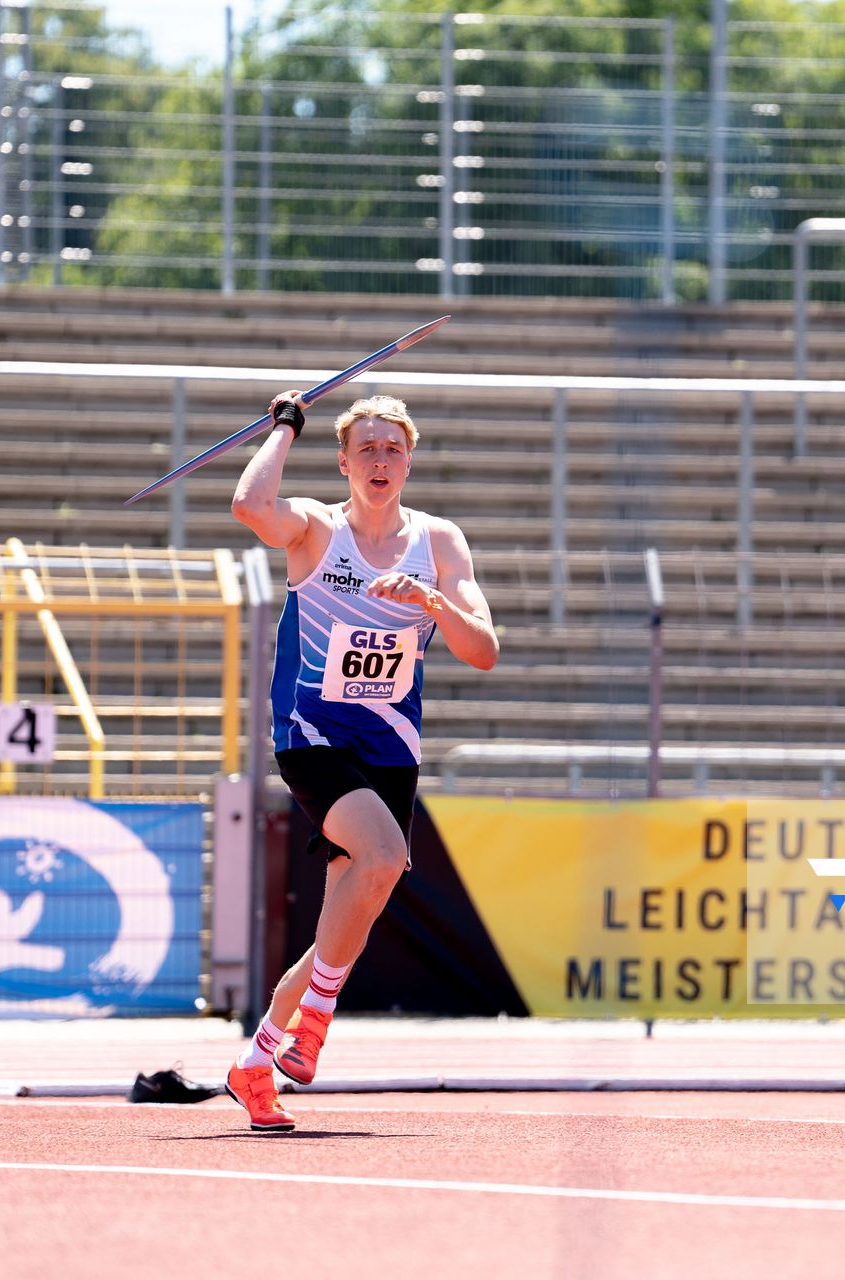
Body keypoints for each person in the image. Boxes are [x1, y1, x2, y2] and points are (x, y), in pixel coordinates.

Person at [224, 389, 498, 1131]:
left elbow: (484, 652)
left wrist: (432, 601)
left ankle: (256, 1061)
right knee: (381, 858)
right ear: (344, 462)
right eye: (367, 450)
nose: (381, 461)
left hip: (391, 746)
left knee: (346, 916)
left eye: (394, 449)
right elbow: (250, 506)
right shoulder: (316, 528)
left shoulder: (439, 542)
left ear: (410, 461)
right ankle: (315, 1017)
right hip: (313, 733)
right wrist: (285, 426)